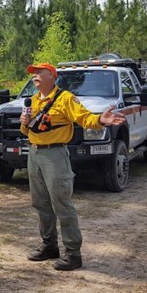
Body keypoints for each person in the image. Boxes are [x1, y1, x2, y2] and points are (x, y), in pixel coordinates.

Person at [19, 62, 125, 271]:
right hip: (34, 153)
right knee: (40, 203)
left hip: (55, 154)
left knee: (62, 203)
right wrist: (25, 121)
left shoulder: (65, 98)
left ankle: (73, 253)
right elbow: (26, 131)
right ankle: (49, 246)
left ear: (52, 76)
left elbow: (84, 118)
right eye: (33, 74)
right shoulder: (32, 100)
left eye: (39, 73)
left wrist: (101, 120)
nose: (35, 77)